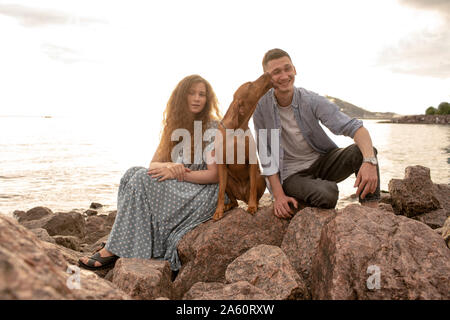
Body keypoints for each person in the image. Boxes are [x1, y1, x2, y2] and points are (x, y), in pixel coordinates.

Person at [79, 74, 222, 271]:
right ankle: (123, 242)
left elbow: (215, 175)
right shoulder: (175, 125)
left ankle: (114, 249)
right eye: (192, 93)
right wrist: (169, 166)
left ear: (208, 99)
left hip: (204, 191)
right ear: (182, 96)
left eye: (202, 94)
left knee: (141, 179)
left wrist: (178, 174)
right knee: (131, 174)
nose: (197, 98)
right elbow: (153, 164)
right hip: (183, 187)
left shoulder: (213, 128)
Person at [253, 48, 380, 219]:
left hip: (322, 162)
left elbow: (355, 127)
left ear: (294, 69)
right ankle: (310, 190)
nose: (284, 76)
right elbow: (265, 154)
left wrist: (369, 161)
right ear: (267, 79)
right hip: (291, 175)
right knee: (328, 194)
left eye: (287, 68)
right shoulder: (261, 107)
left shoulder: (310, 100)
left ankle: (371, 213)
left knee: (365, 151)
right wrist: (278, 196)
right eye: (276, 72)